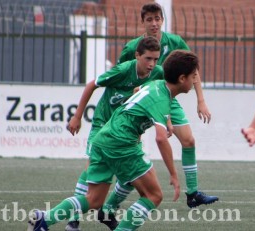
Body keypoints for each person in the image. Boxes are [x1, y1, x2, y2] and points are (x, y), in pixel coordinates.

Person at [27, 49, 198, 231]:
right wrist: (173, 174)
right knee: (153, 195)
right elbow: (161, 139)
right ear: (181, 78)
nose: (195, 80)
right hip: (121, 142)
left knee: (94, 199)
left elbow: (138, 91)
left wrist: (166, 121)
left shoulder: (155, 84)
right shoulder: (161, 97)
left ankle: (44, 219)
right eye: (193, 76)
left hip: (104, 138)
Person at [106, 2, 219, 213]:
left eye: (157, 19)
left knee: (188, 140)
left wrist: (200, 100)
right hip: (143, 101)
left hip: (168, 98)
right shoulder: (132, 48)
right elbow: (122, 75)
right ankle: (110, 204)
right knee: (133, 157)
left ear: (162, 20)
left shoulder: (174, 41)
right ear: (142, 22)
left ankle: (193, 193)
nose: (154, 23)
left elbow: (193, 69)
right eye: (149, 19)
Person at [65, 36, 166, 230]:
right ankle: (73, 218)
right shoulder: (123, 70)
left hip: (126, 129)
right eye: (148, 59)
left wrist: (167, 121)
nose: (152, 64)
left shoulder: (158, 73)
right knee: (92, 169)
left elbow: (165, 96)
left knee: (130, 177)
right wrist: (77, 117)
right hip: (103, 125)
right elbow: (91, 85)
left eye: (156, 59)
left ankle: (107, 211)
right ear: (137, 55)